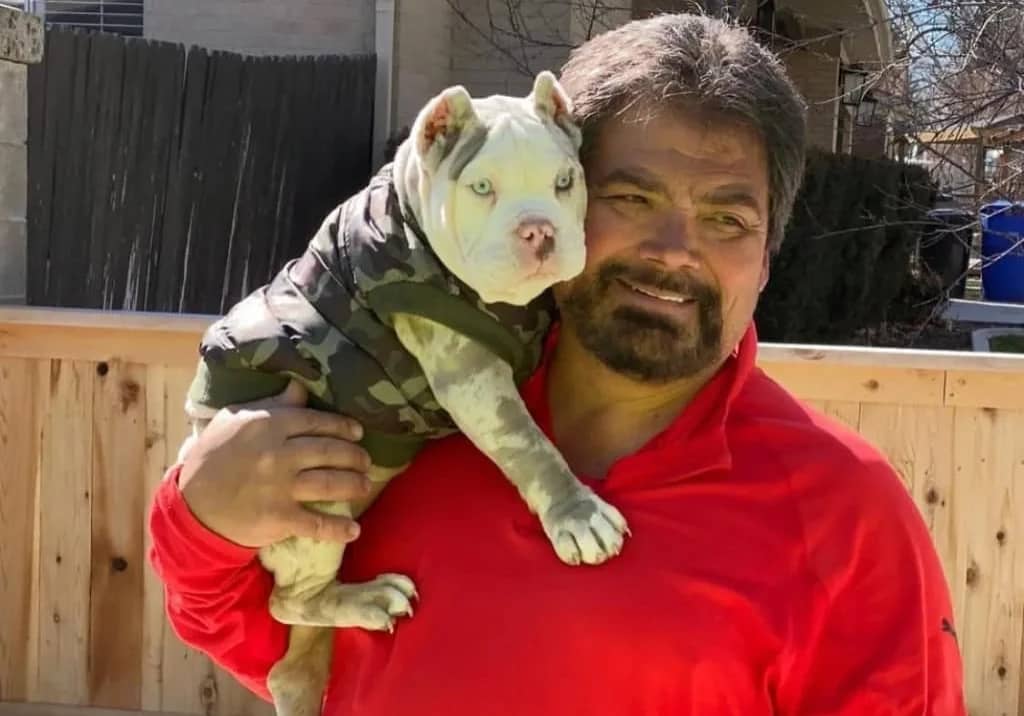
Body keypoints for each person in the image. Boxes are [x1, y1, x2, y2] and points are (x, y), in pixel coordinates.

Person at [148, 12, 966, 715]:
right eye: (630, 199)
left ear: (768, 254)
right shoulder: (396, 408)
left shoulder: (845, 518)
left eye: (727, 219)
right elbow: (264, 643)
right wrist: (200, 519)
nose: (675, 252)